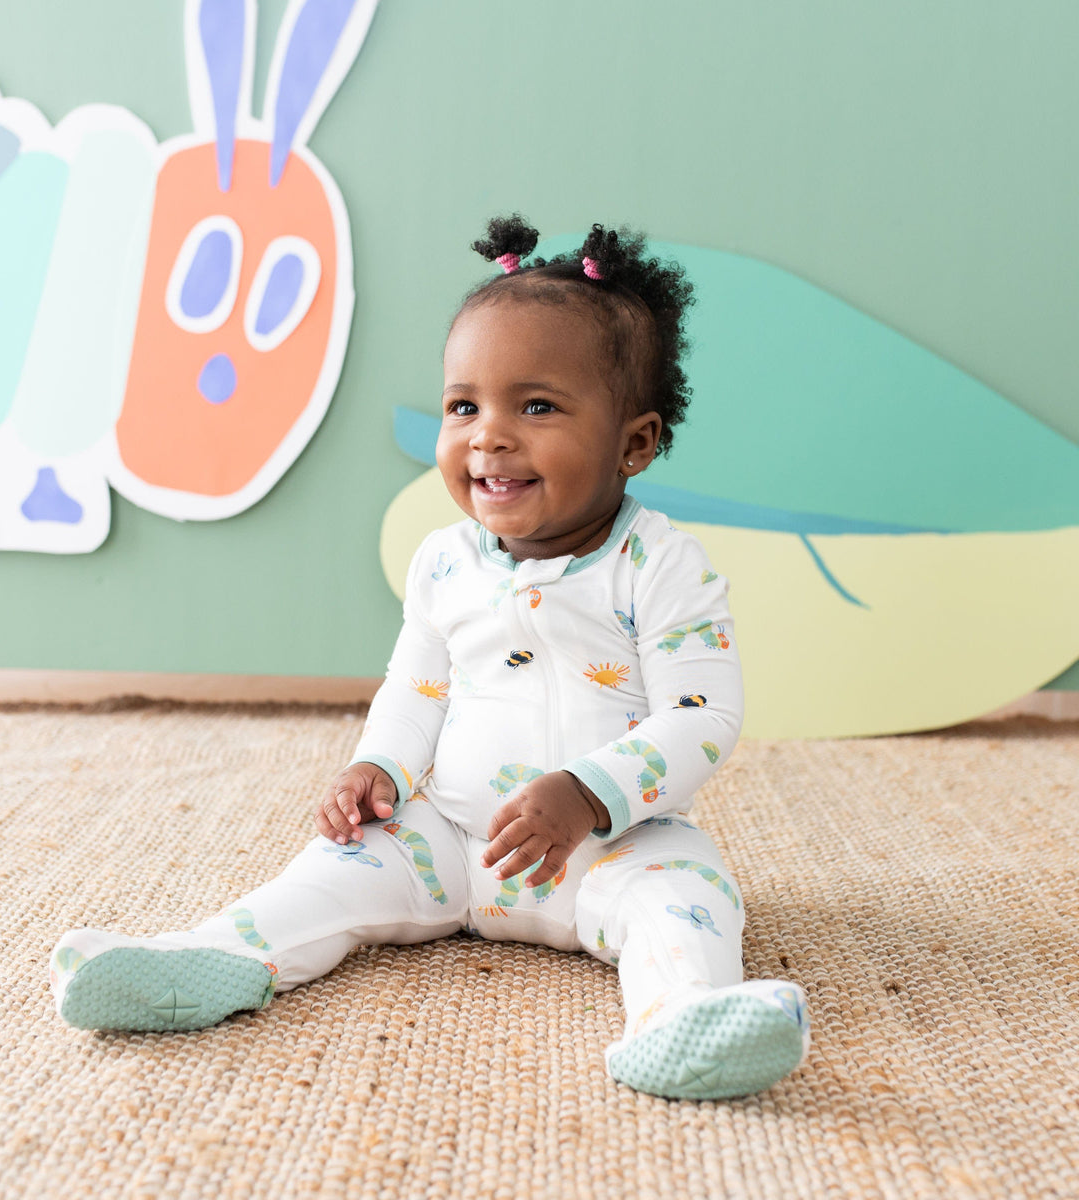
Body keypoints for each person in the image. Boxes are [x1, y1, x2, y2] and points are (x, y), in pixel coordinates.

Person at [50, 215, 811, 1100]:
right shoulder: (444, 560)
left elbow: (702, 716)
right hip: (446, 837)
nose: (488, 436)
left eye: (537, 406)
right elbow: (415, 686)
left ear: (634, 443)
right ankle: (209, 959)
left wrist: (590, 793)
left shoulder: (663, 566)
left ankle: (682, 1016)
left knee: (688, 899)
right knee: (326, 874)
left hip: (614, 844)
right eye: (464, 406)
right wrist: (379, 763)